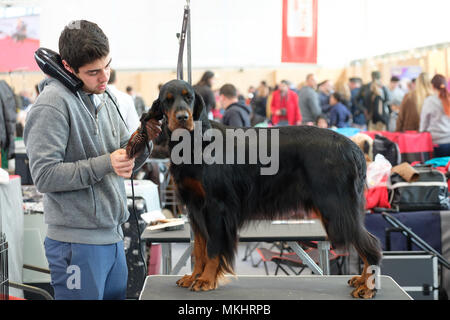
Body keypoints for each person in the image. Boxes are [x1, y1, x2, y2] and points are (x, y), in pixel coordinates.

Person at [23, 20, 161, 300]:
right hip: (76, 244)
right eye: (94, 72)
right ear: (68, 67)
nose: (105, 77)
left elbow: (124, 154)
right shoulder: (52, 105)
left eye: (107, 66)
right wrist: (105, 164)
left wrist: (144, 138)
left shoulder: (105, 96)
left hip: (112, 238)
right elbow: (45, 176)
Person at [420, 74, 450, 157]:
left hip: (437, 142)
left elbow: (424, 123)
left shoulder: (429, 101)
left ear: (432, 86)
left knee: (440, 168)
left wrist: (422, 131)